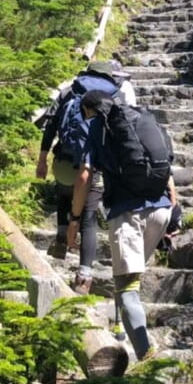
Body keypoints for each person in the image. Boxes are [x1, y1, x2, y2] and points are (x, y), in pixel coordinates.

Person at [67, 89, 174, 360]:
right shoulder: (140, 117)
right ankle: (121, 329)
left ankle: (145, 355)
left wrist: (75, 219)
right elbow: (168, 171)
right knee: (128, 283)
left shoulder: (96, 127)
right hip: (161, 210)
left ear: (89, 110)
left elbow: (84, 176)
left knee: (126, 287)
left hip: (128, 213)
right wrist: (173, 210)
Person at [35, 61, 126, 293]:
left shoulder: (70, 90)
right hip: (95, 166)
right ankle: (83, 277)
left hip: (64, 160)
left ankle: (62, 236)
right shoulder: (116, 95)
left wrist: (43, 158)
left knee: (65, 192)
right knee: (88, 218)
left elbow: (51, 124)